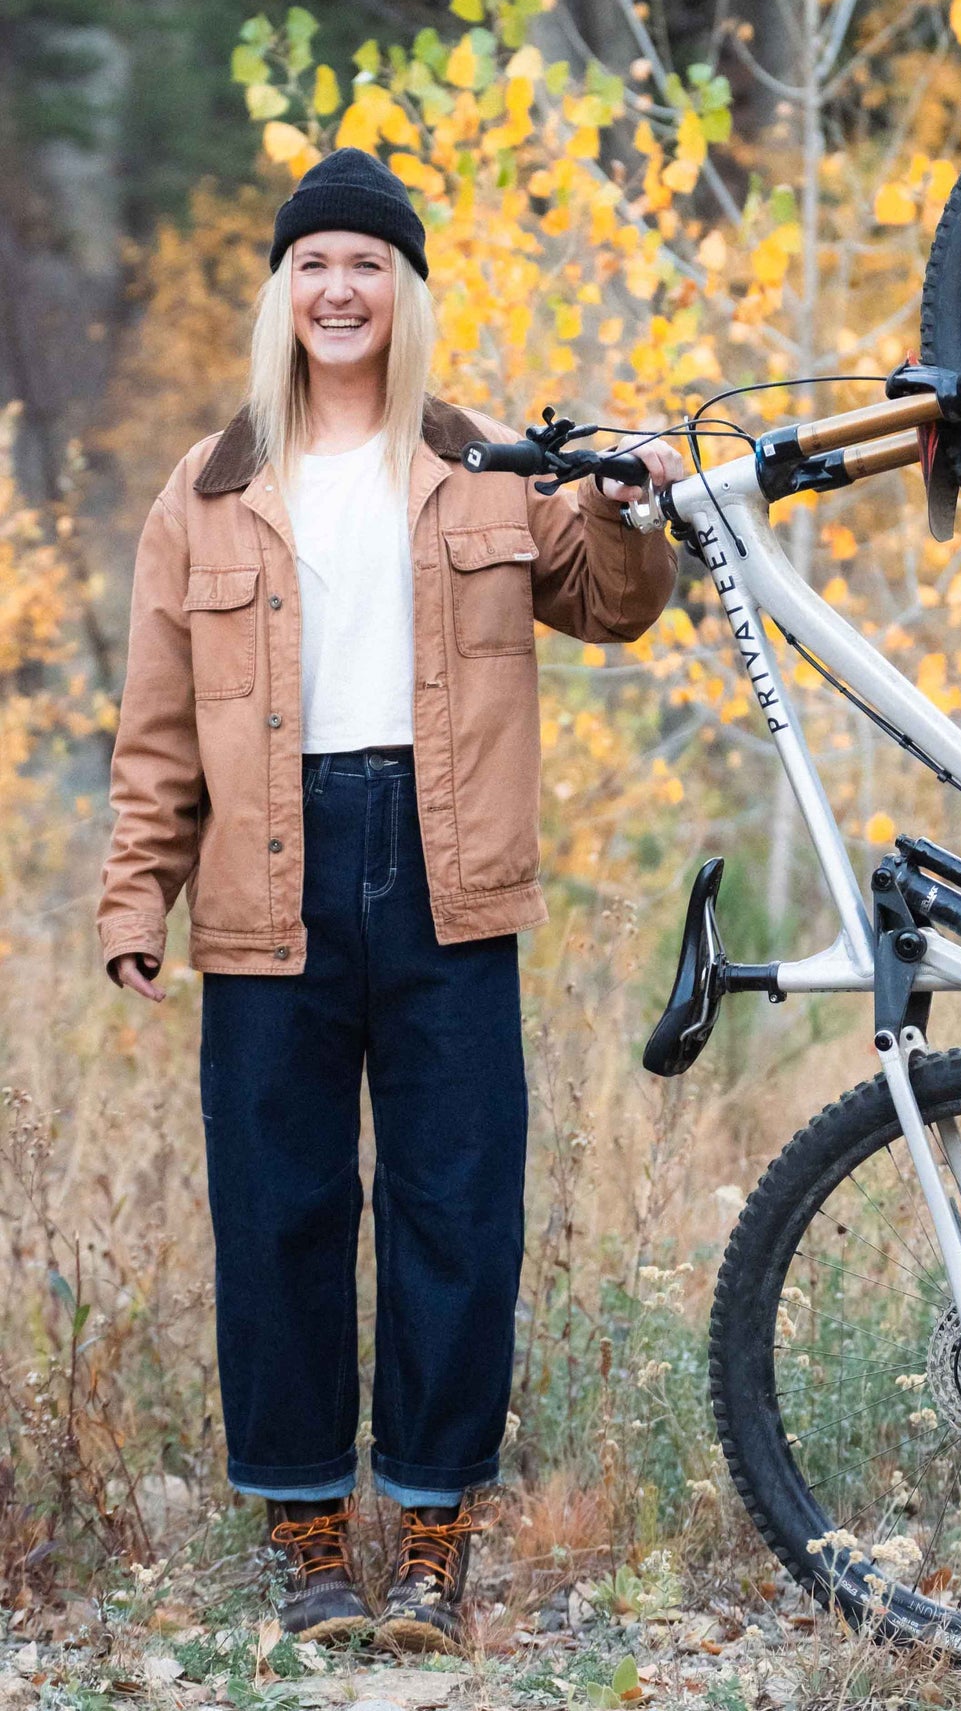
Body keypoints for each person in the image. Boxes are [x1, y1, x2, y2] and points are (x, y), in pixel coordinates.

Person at [95, 148, 684, 1651]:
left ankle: (432, 1543)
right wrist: (131, 903)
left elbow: (614, 604)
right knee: (282, 1215)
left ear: (406, 293)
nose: (340, 288)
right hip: (265, 883)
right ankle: (305, 1537)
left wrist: (628, 507)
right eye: (315, 265)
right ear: (282, 293)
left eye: (368, 265)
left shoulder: (484, 465)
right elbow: (158, 727)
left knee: (458, 1217)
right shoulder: (211, 486)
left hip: (448, 879)